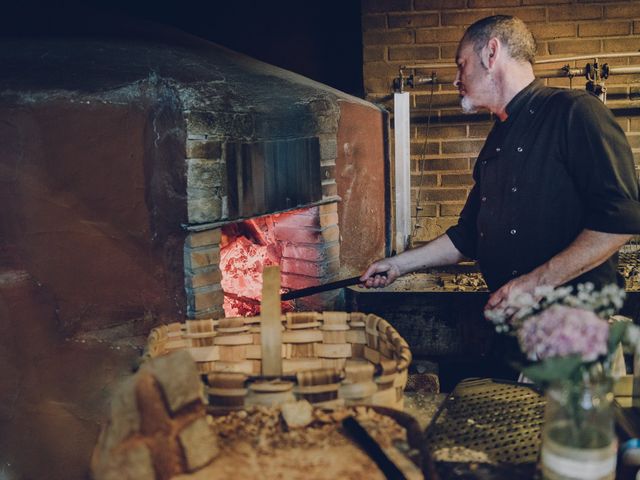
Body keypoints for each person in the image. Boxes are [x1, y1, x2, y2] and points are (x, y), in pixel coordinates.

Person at [361, 15, 640, 314]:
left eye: (461, 64)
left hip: (576, 331)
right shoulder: (498, 137)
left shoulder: (575, 112)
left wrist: (534, 284)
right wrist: (398, 264)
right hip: (516, 327)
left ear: (490, 53)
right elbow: (467, 237)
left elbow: (621, 219)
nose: (457, 78)